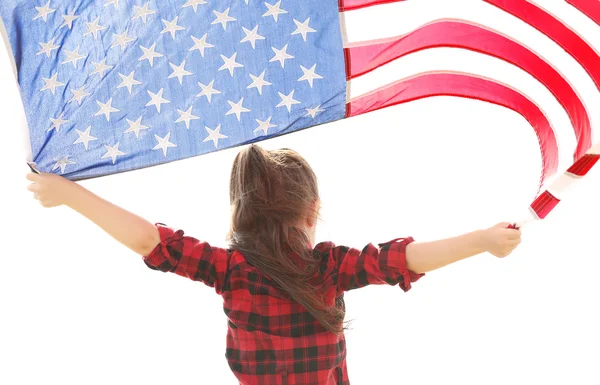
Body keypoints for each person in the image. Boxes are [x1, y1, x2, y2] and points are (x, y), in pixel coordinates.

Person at [25, 144, 521, 385]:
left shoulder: (230, 269)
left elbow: (152, 241)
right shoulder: (330, 267)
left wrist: (70, 194)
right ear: (311, 213)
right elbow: (401, 260)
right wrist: (480, 240)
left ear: (241, 213)